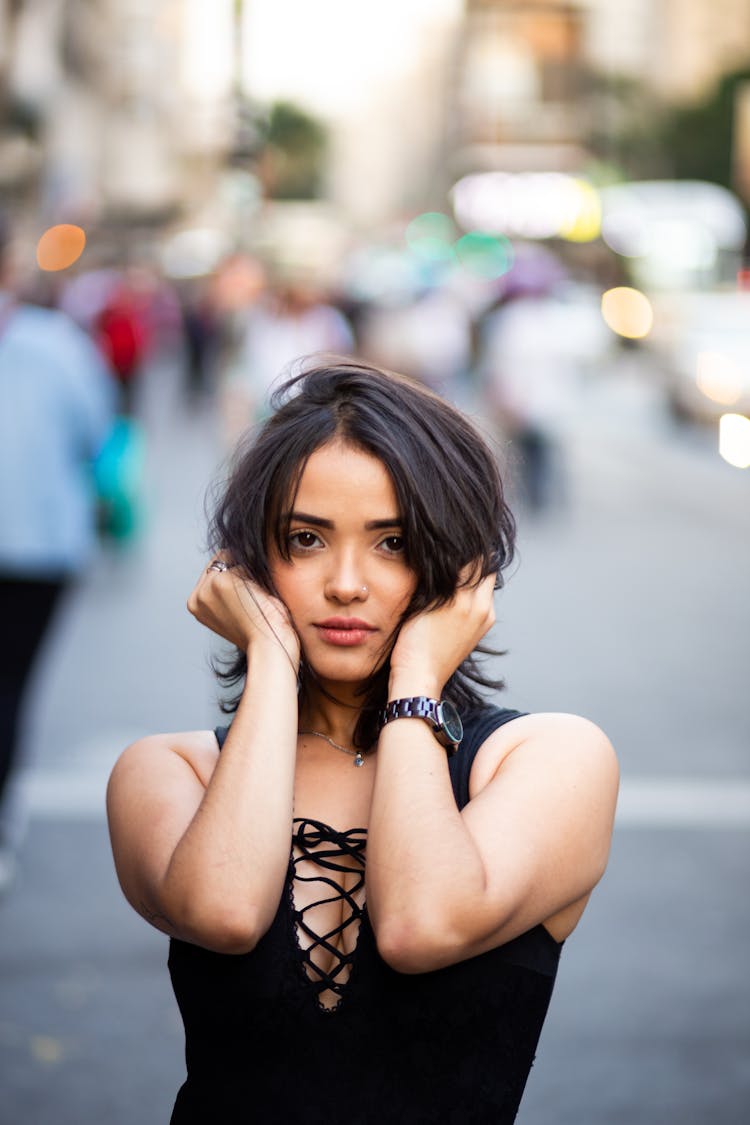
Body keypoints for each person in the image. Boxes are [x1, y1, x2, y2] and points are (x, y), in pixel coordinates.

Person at [106, 361, 618, 1124]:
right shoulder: (173, 769)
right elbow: (225, 910)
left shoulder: (548, 759)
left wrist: (415, 675)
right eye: (305, 538)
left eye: (394, 542)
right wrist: (273, 668)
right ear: (248, 560)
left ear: (458, 563)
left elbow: (420, 923)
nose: (346, 583)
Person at [0, 211, 115, 892]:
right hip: (38, 542)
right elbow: (98, 434)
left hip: (41, 542)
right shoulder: (57, 345)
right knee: (10, 683)